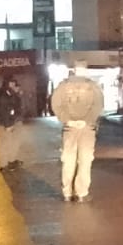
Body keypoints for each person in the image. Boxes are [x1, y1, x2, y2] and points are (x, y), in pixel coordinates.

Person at [50, 70, 104, 202]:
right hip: (87, 128)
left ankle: (67, 193)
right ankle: (81, 193)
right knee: (85, 160)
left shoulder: (63, 86)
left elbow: (55, 105)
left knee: (68, 160)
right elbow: (98, 105)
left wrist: (68, 120)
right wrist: (86, 120)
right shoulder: (92, 86)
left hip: (69, 128)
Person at [0, 75, 26, 171]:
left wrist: (17, 94)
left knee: (12, 142)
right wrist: (8, 124)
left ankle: (11, 160)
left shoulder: (9, 93)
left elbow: (16, 107)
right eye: (12, 82)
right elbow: (4, 110)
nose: (14, 84)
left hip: (11, 121)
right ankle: (4, 164)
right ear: (8, 83)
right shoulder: (3, 94)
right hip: (4, 123)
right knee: (5, 143)